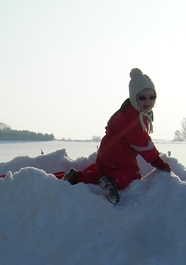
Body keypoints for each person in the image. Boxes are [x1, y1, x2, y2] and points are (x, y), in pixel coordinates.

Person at [63, 68, 171, 204]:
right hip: (119, 153)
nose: (148, 101)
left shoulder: (128, 110)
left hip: (107, 148)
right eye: (142, 98)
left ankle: (76, 177)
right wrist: (157, 161)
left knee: (101, 173)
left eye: (152, 97)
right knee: (131, 175)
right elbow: (142, 143)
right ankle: (112, 182)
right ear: (133, 97)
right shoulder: (133, 119)